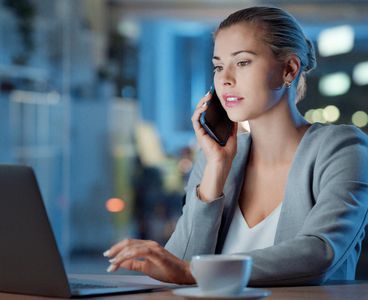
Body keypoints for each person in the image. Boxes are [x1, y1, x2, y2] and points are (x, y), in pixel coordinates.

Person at [103, 6, 368, 286]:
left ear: (288, 69)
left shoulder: (343, 149)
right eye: (218, 66)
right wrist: (215, 171)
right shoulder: (217, 157)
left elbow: (320, 253)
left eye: (242, 62)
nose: (225, 79)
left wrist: (196, 271)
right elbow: (178, 266)